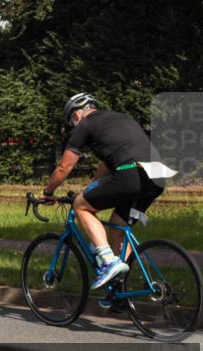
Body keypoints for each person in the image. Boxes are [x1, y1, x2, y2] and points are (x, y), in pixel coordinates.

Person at [41, 93, 165, 297]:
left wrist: (48, 192)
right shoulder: (119, 119)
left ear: (78, 114)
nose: (74, 124)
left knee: (80, 206)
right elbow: (106, 165)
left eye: (72, 119)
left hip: (130, 173)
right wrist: (91, 190)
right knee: (118, 227)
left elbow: (64, 168)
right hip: (157, 177)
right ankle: (123, 292)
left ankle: (108, 261)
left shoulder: (85, 124)